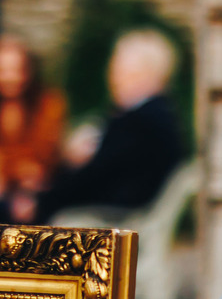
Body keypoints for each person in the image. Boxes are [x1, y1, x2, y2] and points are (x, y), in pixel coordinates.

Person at [25, 30, 184, 226]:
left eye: (119, 70)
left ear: (144, 74)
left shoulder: (139, 120)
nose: (113, 79)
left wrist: (41, 198)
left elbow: (95, 179)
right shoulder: (157, 115)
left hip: (109, 219)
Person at [0, 38, 65, 225]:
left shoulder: (48, 104)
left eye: (17, 70)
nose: (11, 77)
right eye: (4, 71)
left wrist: (15, 177)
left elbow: (44, 159)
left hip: (35, 190)